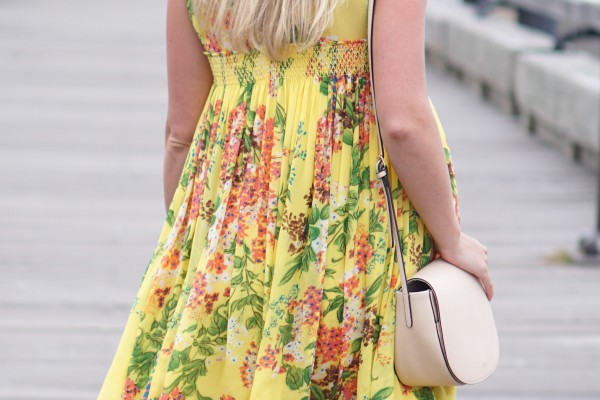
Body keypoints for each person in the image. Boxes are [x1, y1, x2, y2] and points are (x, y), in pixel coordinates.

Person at [98, 0, 493, 399]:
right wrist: (451, 239)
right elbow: (403, 124)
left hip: (238, 230)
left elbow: (180, 136)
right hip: (348, 229)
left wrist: (193, 253)